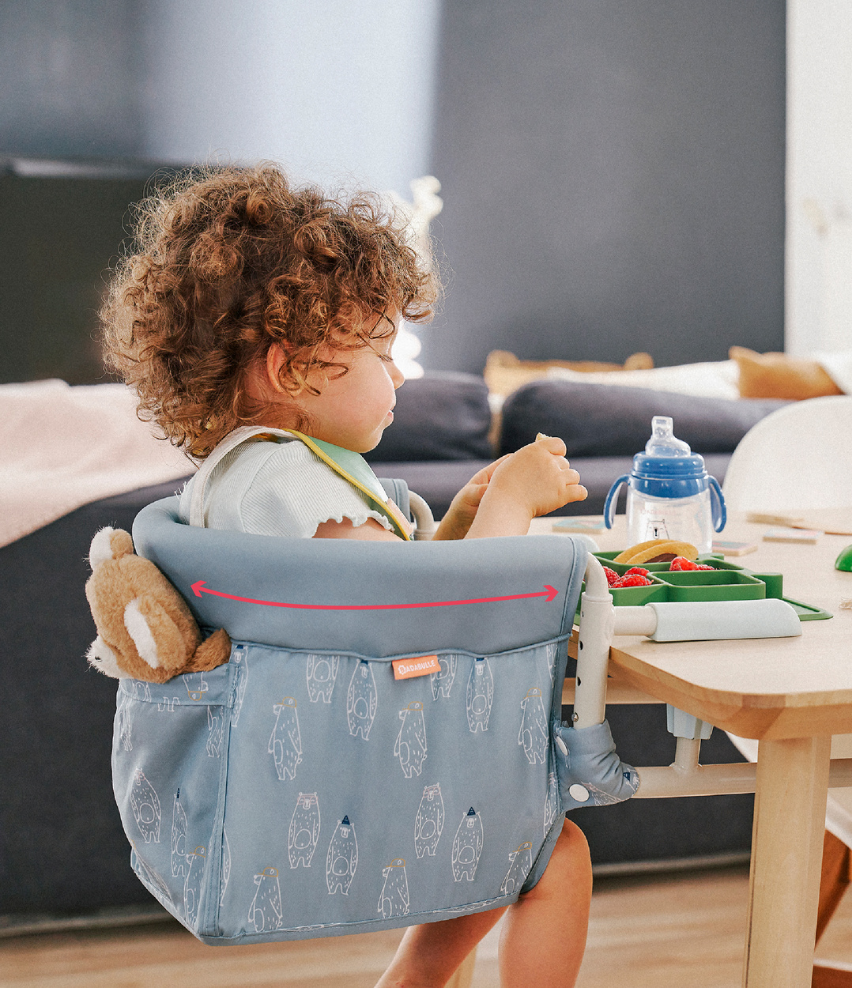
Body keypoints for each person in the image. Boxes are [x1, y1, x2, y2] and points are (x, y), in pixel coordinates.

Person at [101, 163, 593, 987]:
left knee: (492, 841)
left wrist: (464, 522)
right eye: (380, 351)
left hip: (298, 766)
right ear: (291, 369)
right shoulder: (299, 485)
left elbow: (373, 598)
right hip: (344, 781)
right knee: (550, 848)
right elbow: (438, 617)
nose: (399, 375)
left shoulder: (234, 473)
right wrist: (512, 498)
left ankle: (411, 982)